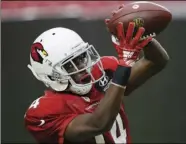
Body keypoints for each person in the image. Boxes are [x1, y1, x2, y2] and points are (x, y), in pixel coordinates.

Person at [24, 5, 169, 144]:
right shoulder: (42, 113)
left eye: (81, 57)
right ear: (50, 75)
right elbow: (98, 124)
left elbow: (156, 61)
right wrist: (124, 65)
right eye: (69, 65)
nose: (82, 67)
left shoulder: (102, 70)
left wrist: (139, 37)